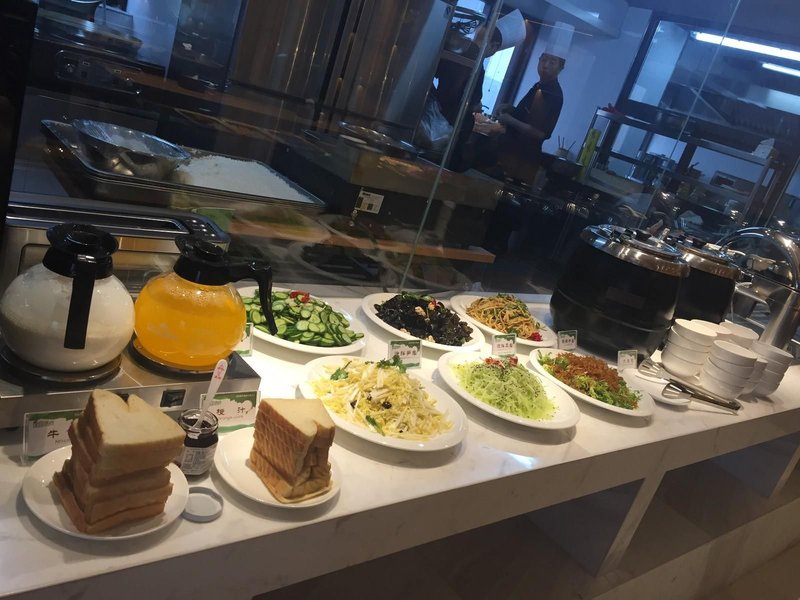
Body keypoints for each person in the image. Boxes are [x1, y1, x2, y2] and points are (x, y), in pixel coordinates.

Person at [432, 10, 527, 171]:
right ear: (494, 46)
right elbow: (460, 97)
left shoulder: (462, 51)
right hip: (446, 128)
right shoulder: (475, 63)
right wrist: (475, 105)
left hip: (440, 125)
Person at [495, 52, 565, 183]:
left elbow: (539, 133)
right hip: (510, 152)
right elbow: (528, 116)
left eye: (552, 62)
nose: (545, 65)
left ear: (560, 68)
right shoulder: (539, 86)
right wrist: (511, 109)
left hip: (521, 158)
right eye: (543, 60)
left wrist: (509, 120)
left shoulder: (552, 93)